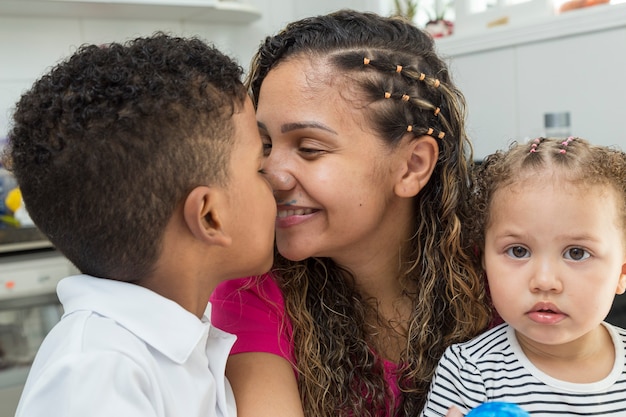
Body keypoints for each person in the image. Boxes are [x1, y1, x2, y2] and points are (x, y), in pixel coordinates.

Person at [210, 9, 493, 417]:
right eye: (266, 145)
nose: (271, 174)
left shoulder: (503, 271)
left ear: (412, 166)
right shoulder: (252, 288)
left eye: (309, 148)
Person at [4, 32, 276, 417]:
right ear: (209, 216)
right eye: (260, 168)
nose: (278, 181)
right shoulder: (96, 373)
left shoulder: (175, 339)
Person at [421, 137, 626, 416]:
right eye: (518, 251)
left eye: (577, 253)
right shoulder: (470, 371)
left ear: (621, 273)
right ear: (484, 262)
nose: (544, 281)